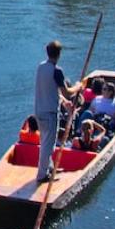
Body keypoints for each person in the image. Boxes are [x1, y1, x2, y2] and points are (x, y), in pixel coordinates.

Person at [34, 40, 85, 184]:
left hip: (39, 110)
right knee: (47, 145)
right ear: (59, 54)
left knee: (45, 141)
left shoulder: (41, 67)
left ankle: (49, 168)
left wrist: (62, 100)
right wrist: (78, 86)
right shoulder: (57, 71)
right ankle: (42, 176)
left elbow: (52, 89)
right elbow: (67, 92)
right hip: (49, 112)